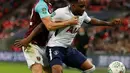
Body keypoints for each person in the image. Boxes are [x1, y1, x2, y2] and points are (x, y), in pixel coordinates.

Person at [45, 0, 122, 73]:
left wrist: (109, 23)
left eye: (84, 6)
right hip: (54, 47)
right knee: (57, 70)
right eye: (81, 6)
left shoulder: (83, 14)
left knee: (91, 68)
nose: (84, 9)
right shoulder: (60, 12)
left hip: (68, 49)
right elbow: (46, 24)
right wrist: (32, 38)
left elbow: (91, 21)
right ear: (73, 6)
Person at [14, 0, 78, 73]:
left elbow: (43, 25)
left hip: (45, 44)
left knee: (54, 70)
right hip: (32, 43)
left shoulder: (49, 5)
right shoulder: (42, 5)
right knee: (38, 71)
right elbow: (49, 26)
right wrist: (69, 22)